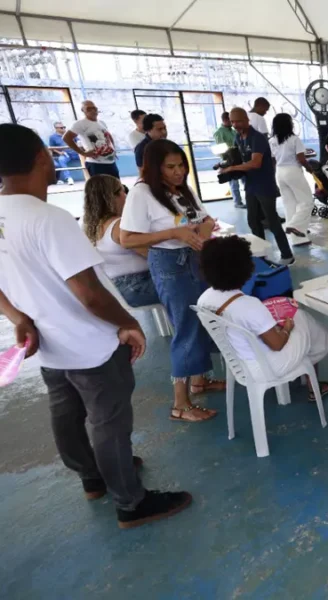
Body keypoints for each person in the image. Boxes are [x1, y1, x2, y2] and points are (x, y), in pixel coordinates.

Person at [0, 123, 192, 528]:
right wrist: (127, 324)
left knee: (66, 414)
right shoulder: (48, 219)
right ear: (40, 157)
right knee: (109, 423)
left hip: (47, 343)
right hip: (88, 343)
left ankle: (92, 477)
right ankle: (130, 502)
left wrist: (19, 318)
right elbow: (88, 293)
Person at [119, 139, 226, 422]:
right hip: (170, 265)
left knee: (203, 317)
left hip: (194, 259)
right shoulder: (142, 193)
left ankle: (200, 380)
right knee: (185, 326)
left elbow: (205, 219)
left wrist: (202, 230)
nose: (178, 171)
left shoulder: (181, 189)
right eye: (170, 167)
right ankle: (180, 403)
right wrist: (173, 234)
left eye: (181, 165)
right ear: (155, 168)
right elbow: (127, 238)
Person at [197, 236, 328, 398]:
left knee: (304, 324)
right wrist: (286, 328)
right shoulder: (249, 305)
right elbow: (277, 344)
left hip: (239, 362)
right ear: (245, 268)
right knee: (302, 318)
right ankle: (323, 369)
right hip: (268, 368)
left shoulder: (204, 299)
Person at [224, 107, 294, 265]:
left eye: (239, 121)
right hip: (250, 185)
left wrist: (233, 168)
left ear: (247, 120)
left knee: (271, 221)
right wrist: (228, 165)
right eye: (233, 121)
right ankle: (262, 256)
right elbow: (239, 160)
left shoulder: (257, 138)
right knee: (253, 221)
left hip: (264, 186)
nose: (236, 124)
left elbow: (255, 163)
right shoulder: (238, 137)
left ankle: (287, 255)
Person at [82, 175, 158, 308]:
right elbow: (154, 256)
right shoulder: (119, 226)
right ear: (113, 197)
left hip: (114, 287)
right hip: (138, 285)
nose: (126, 195)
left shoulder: (88, 226)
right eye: (123, 191)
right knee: (188, 285)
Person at [270, 113, 313, 246]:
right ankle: (295, 225)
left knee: (290, 204)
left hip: (280, 172)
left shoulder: (272, 140)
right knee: (307, 201)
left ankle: (297, 238)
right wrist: (309, 168)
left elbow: (272, 160)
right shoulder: (294, 139)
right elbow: (301, 158)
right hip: (293, 171)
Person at [65, 100, 119, 178]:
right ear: (83, 110)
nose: (93, 110)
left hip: (110, 162)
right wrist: (83, 153)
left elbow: (108, 136)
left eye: (94, 108)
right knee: (101, 189)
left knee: (116, 187)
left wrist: (114, 150)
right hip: (96, 164)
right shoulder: (80, 124)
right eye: (89, 109)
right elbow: (66, 138)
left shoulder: (101, 122)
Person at [213, 111, 245, 208]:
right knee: (234, 182)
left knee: (244, 179)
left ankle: (249, 200)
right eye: (231, 121)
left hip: (238, 157)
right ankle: (237, 202)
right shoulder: (219, 132)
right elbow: (221, 148)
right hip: (228, 159)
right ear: (225, 120)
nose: (232, 123)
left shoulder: (233, 131)